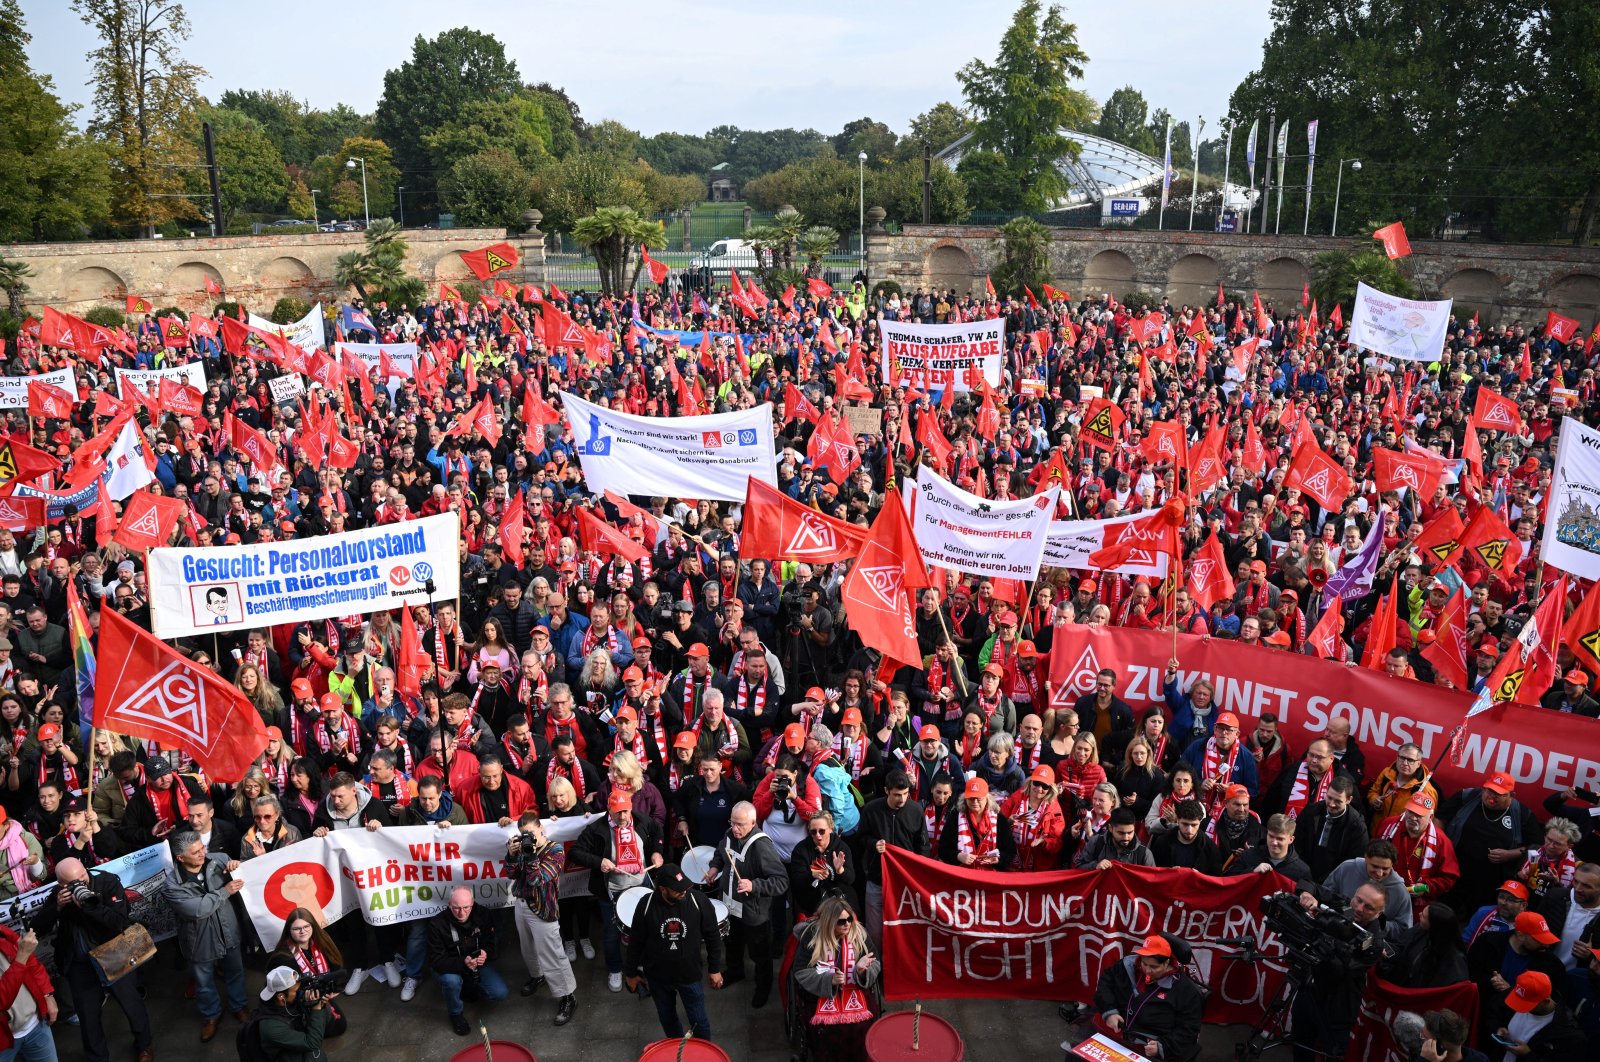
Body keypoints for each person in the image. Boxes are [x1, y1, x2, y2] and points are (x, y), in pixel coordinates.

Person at [30, 856, 154, 1062]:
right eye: (74, 882)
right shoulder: (59, 895)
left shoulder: (107, 882)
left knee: (132, 1004)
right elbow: (36, 928)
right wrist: (57, 908)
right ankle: (97, 1057)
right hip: (80, 963)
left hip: (114, 952)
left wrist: (91, 905)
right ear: (62, 885)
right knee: (88, 1016)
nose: (81, 883)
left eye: (83, 876)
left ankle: (145, 1045)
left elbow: (121, 923)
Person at [568, 789, 664, 992]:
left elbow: (658, 832)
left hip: (641, 885)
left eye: (626, 811)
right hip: (611, 891)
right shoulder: (596, 829)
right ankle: (615, 969)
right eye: (618, 812)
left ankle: (640, 964)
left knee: (644, 929)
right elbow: (575, 853)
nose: (622, 817)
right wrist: (598, 861)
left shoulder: (641, 820)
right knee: (611, 934)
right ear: (608, 809)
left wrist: (657, 851)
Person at [624, 863, 725, 1041]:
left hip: (690, 975)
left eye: (685, 887)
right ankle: (675, 1051)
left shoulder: (699, 900)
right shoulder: (645, 905)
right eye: (678, 890)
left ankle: (703, 1053)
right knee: (667, 1018)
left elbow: (712, 936)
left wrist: (714, 968)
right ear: (662, 889)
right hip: (658, 978)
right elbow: (636, 942)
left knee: (699, 1021)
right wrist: (631, 973)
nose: (684, 892)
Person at [167, 830, 250, 1041]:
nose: (202, 853)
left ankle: (239, 1006)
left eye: (202, 847)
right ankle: (211, 1016)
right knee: (204, 982)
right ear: (180, 857)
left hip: (228, 930)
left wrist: (236, 867)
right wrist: (224, 891)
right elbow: (197, 909)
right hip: (199, 940)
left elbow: (246, 878)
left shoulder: (220, 859)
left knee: (236, 971)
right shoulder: (172, 885)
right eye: (195, 852)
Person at [706, 800, 787, 1007]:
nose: (735, 828)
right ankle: (735, 972)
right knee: (732, 943)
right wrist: (715, 867)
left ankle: (763, 986)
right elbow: (720, 853)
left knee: (760, 952)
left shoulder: (762, 846)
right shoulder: (729, 834)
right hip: (730, 906)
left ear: (753, 822)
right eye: (732, 823)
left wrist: (754, 885)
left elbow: (781, 881)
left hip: (754, 912)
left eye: (740, 824)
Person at [504, 812, 577, 1025]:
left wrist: (531, 854)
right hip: (522, 903)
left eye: (531, 833)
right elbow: (510, 874)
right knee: (528, 948)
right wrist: (510, 855)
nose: (527, 838)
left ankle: (568, 996)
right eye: (523, 835)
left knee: (553, 953)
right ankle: (538, 976)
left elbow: (538, 880)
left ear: (541, 829)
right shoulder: (519, 847)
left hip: (544, 908)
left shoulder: (555, 849)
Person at [790, 895, 880, 1062]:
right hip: (820, 994)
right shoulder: (811, 937)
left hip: (854, 988)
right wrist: (828, 980)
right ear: (829, 923)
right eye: (841, 921)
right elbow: (800, 971)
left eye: (849, 919)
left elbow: (876, 962)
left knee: (865, 1024)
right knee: (827, 1030)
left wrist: (861, 971)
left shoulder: (859, 933)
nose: (847, 924)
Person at [1090, 934, 1204, 1061]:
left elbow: (1189, 1029)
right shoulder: (1127, 965)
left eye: (1154, 967)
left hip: (1147, 1044)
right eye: (1144, 963)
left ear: (1167, 963)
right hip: (1115, 1032)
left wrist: (1163, 1046)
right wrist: (1109, 1011)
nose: (1147, 970)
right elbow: (1105, 984)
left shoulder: (1186, 991)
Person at [426, 885, 508, 1035]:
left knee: (500, 993)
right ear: (449, 904)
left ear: (473, 903)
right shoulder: (437, 924)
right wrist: (463, 963)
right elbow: (436, 961)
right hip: (449, 966)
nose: (462, 913)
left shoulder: (483, 914)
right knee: (452, 982)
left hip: (476, 963)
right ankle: (455, 1013)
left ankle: (468, 988)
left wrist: (485, 953)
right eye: (456, 908)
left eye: (466, 907)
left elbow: (491, 943)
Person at [858, 771, 928, 943]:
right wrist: (873, 844)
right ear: (886, 790)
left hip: (905, 883)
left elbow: (923, 845)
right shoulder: (871, 809)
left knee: (903, 930)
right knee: (874, 932)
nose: (902, 799)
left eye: (906, 794)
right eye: (897, 794)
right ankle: (877, 967)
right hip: (876, 880)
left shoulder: (916, 810)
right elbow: (861, 838)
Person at [266, 908, 348, 1040]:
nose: (303, 931)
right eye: (296, 929)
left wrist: (333, 989)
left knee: (339, 1026)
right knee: (327, 1030)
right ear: (289, 931)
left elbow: (336, 964)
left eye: (306, 926)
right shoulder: (281, 958)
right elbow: (279, 995)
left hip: (320, 996)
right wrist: (303, 998)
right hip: (296, 1004)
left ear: (313, 926)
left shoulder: (321, 940)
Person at [1490, 970, 1586, 1059]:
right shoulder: (1520, 993)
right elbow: (1494, 1013)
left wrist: (1528, 1055)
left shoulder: (1567, 1031)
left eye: (1526, 1004)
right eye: (1518, 1000)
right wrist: (1498, 1027)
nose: (1518, 1007)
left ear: (1546, 1001)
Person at [0, 923, 57, 1062]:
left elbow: (31, 963)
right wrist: (22, 955)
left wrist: (47, 994)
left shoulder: (2, 931)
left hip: (36, 1026)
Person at [252, 966, 334, 1062]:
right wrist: (316, 1009)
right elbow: (312, 1043)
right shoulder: (271, 1027)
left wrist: (321, 1004)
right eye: (296, 991)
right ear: (281, 996)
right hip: (285, 1056)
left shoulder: (290, 1001)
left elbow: (326, 1022)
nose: (301, 992)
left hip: (296, 1042)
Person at [788, 810, 856, 919]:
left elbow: (850, 879)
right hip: (812, 906)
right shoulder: (801, 850)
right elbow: (796, 880)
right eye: (813, 832)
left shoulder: (841, 848)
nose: (818, 836)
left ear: (830, 829)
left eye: (822, 831)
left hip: (840, 904)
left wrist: (840, 871)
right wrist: (811, 875)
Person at [1074, 808, 1155, 869]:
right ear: (1110, 828)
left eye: (1130, 832)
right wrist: (1095, 866)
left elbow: (1151, 881)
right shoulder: (1096, 842)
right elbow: (1078, 867)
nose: (1126, 837)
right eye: (1121, 833)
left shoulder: (1144, 854)